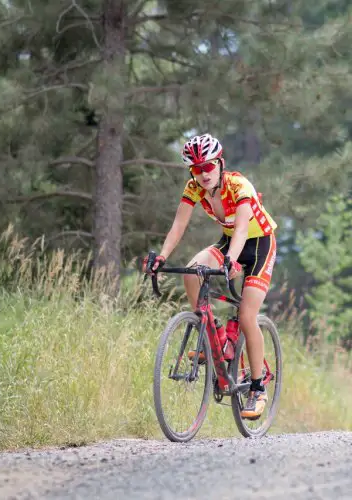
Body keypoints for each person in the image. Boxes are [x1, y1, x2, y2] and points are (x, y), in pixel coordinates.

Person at [143, 133, 277, 420]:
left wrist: (230, 261)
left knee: (246, 315)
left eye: (208, 167)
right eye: (197, 169)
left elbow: (242, 229)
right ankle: (213, 334)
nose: (203, 174)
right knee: (192, 272)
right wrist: (162, 257)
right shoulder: (194, 188)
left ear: (220, 163)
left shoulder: (239, 185)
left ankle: (257, 388)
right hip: (230, 243)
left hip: (259, 245)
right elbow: (179, 225)